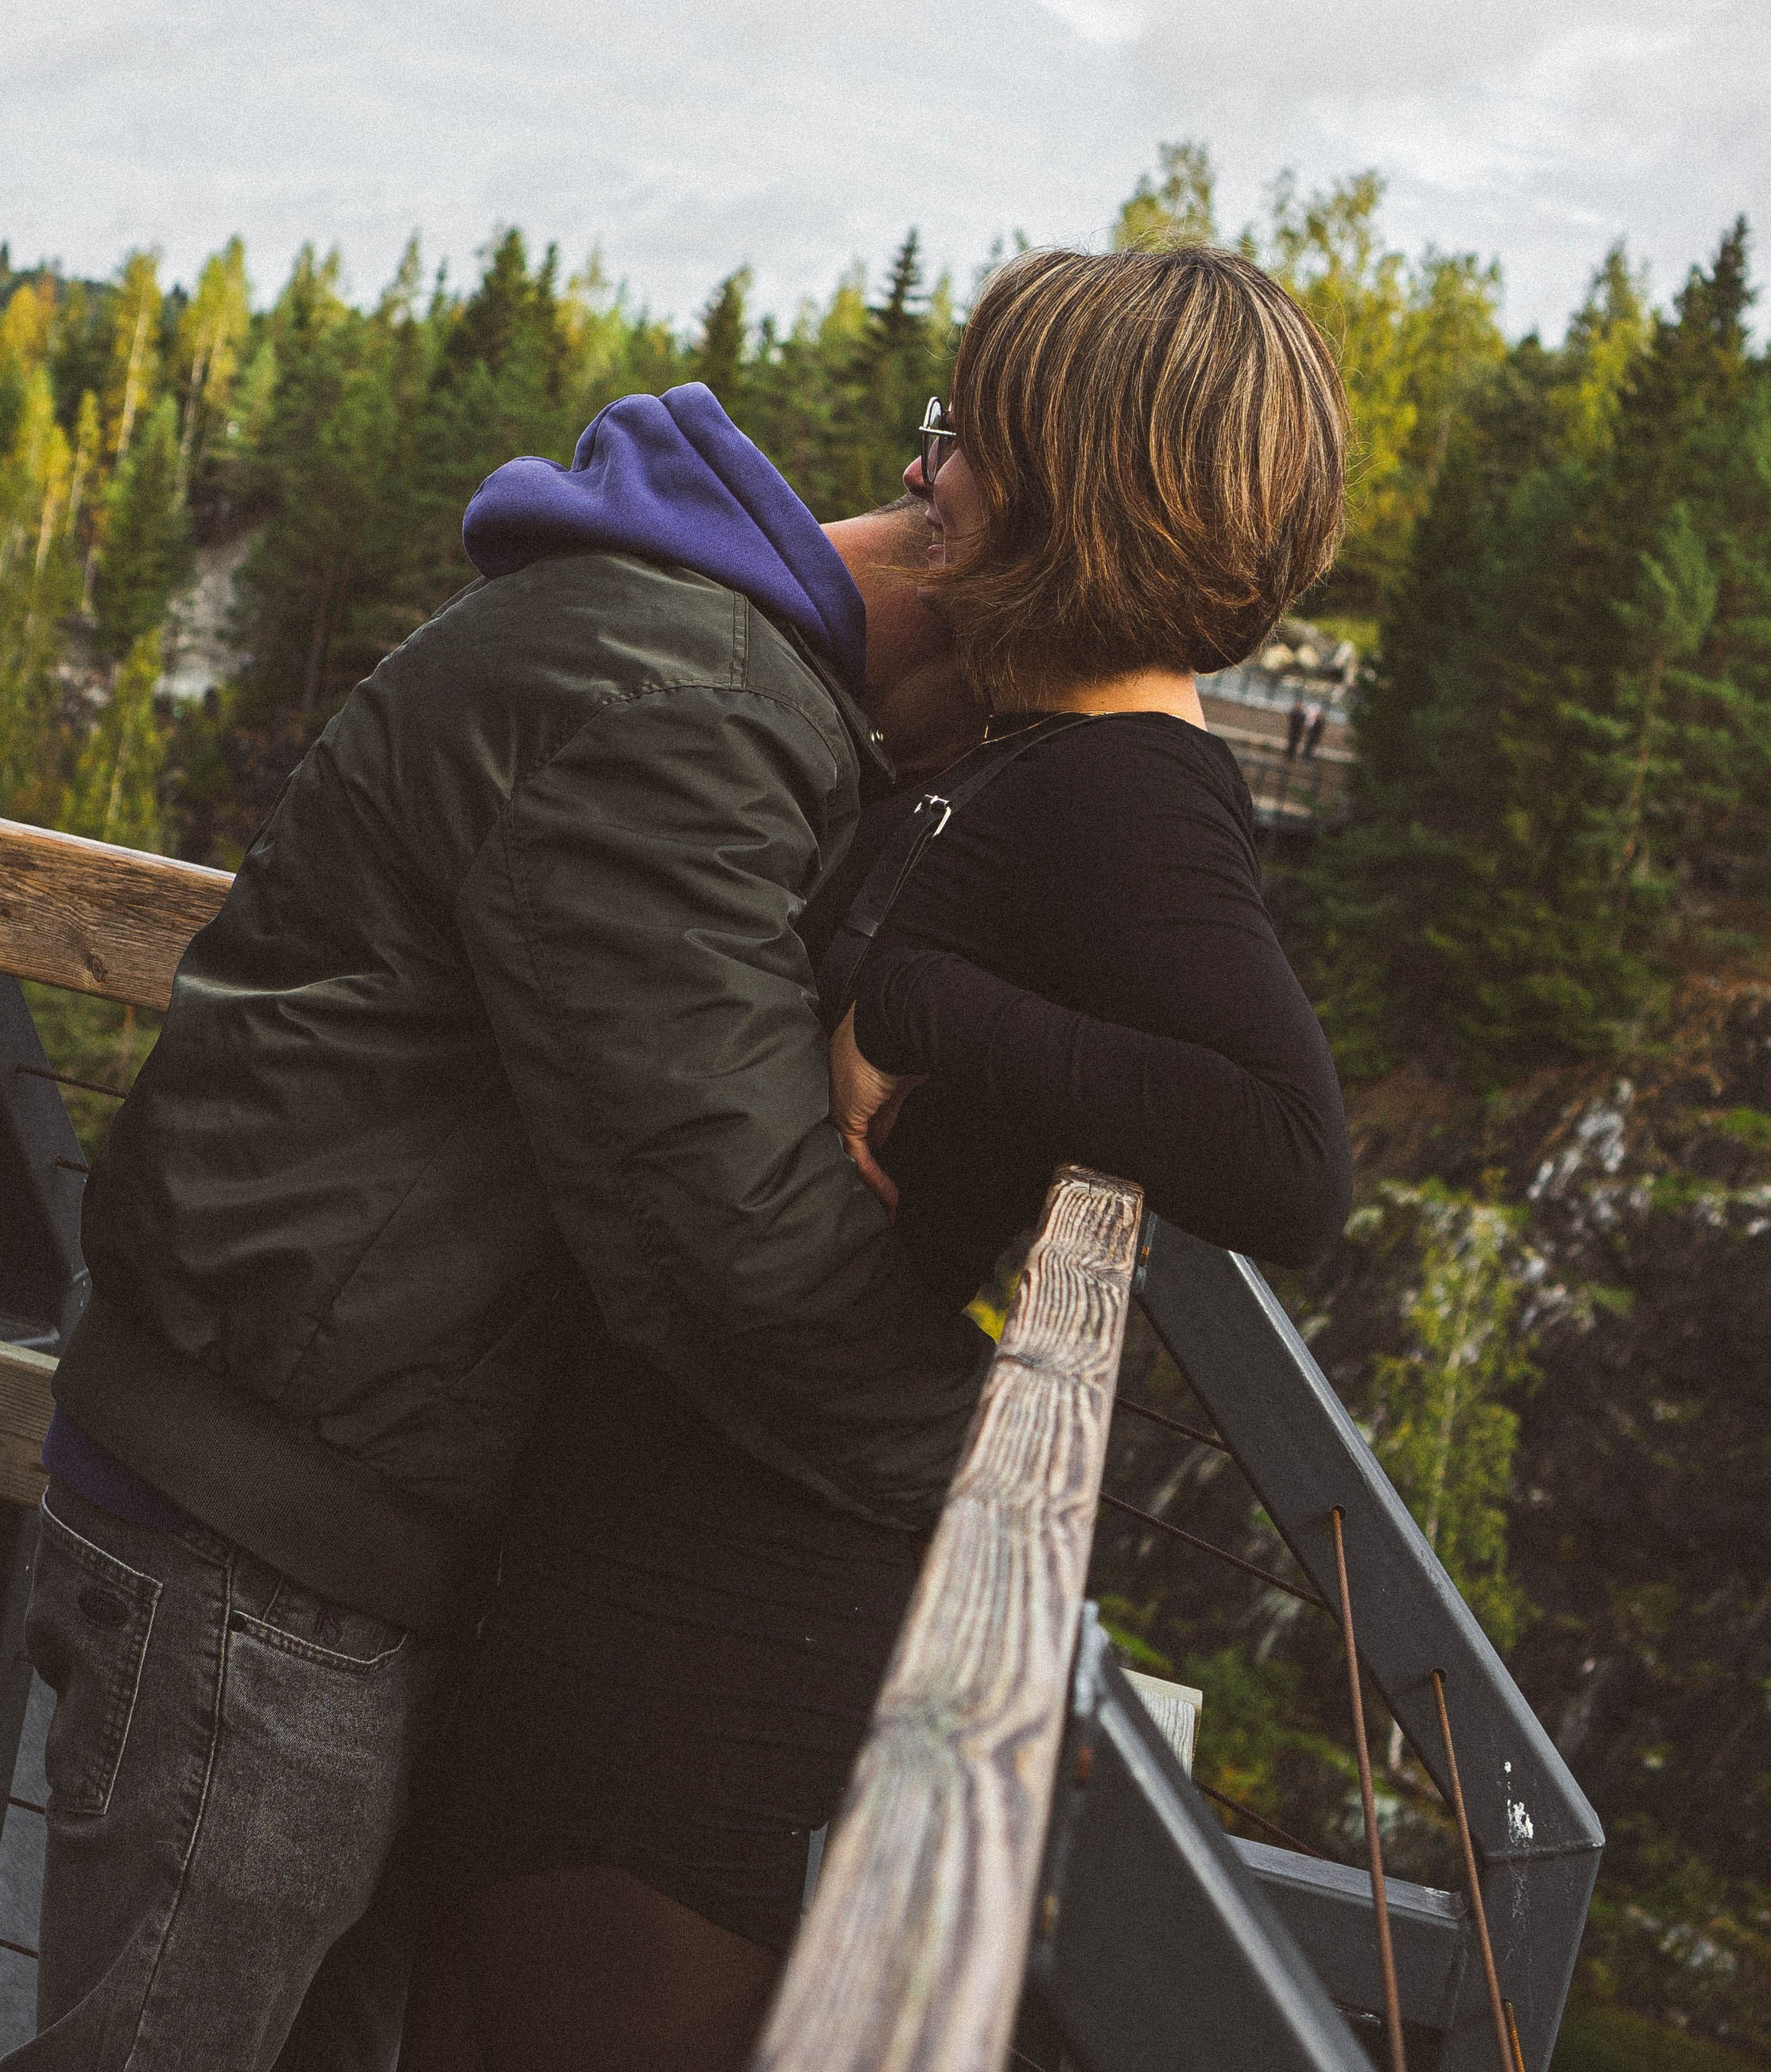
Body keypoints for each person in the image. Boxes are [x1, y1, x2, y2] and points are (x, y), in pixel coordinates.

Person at [3, 383, 1068, 2072]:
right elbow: (717, 1222)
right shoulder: (679, 712)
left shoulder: (702, 671)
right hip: (272, 1526)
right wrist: (981, 1484)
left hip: (320, 1490)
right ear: (992, 655)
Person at [402, 243, 1355, 2072]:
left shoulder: (1127, 795)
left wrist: (918, 1006)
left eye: (964, 441)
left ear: (1076, 488)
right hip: (642, 1540)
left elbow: (1281, 1153)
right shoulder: (1024, 754)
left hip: (718, 1620)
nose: (924, 477)